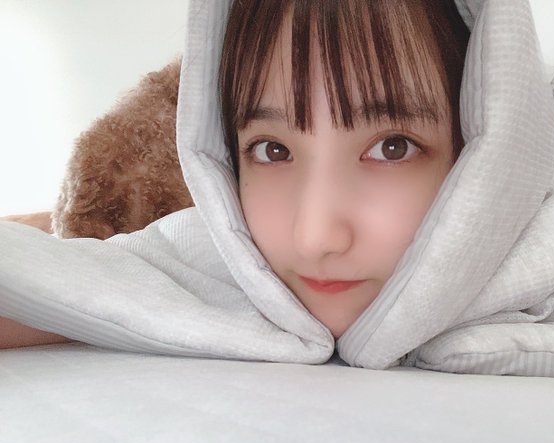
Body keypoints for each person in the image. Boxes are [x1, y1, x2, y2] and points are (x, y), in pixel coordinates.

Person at [0, 0, 470, 347]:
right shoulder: (219, 252)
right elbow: (58, 279)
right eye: (273, 150)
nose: (315, 239)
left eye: (392, 148)